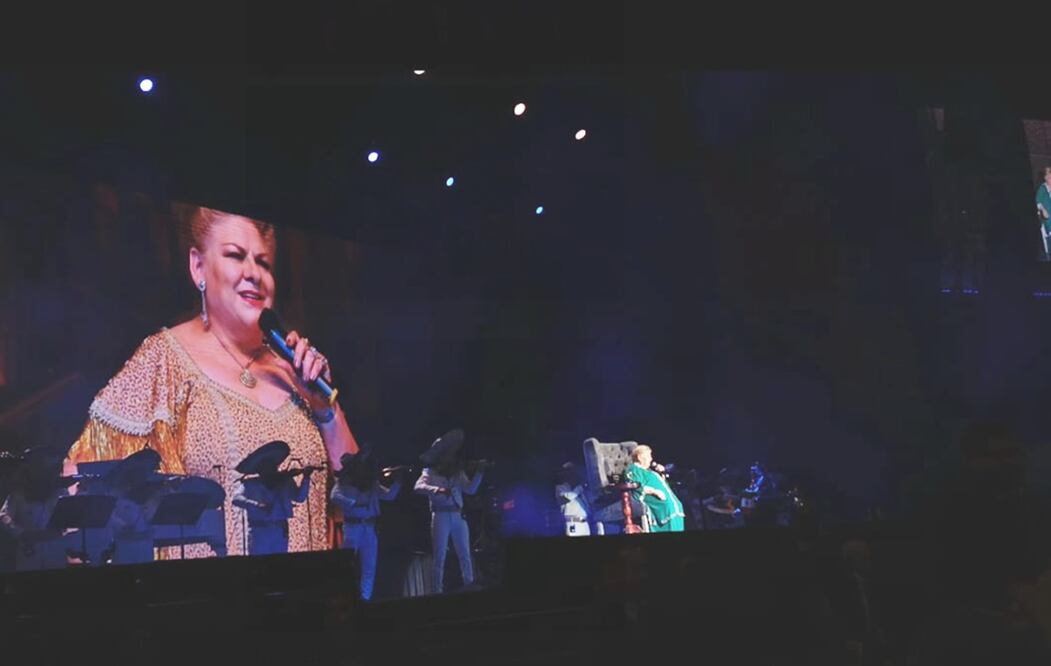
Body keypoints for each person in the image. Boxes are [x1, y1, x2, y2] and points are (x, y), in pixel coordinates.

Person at [64, 204, 359, 557]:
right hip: (215, 599)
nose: (254, 273)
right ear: (198, 266)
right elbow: (82, 483)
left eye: (264, 263)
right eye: (236, 256)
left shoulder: (293, 372)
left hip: (305, 595)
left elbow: (358, 487)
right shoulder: (165, 358)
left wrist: (325, 409)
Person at [413, 428, 487, 593]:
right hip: (440, 515)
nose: (452, 456)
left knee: (465, 553)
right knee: (440, 555)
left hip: (457, 515)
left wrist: (479, 473)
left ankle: (469, 584)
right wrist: (436, 490)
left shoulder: (457, 472)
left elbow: (470, 489)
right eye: (448, 453)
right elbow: (418, 487)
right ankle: (437, 590)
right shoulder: (429, 472)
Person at [330, 447, 402, 600]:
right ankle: (345, 597)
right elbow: (334, 497)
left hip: (370, 528)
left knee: (369, 568)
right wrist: (354, 503)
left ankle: (365, 599)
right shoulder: (343, 484)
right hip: (352, 528)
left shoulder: (371, 484)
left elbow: (389, 496)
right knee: (347, 565)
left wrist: (398, 481)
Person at [231, 440, 314, 555]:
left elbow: (299, 498)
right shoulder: (250, 484)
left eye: (273, 466)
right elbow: (236, 499)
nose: (272, 469)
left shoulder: (284, 480)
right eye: (266, 467)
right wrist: (256, 504)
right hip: (259, 532)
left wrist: (306, 479)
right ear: (259, 470)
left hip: (280, 531)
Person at [0, 446, 75, 570]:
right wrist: (21, 532)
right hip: (29, 549)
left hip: (54, 548)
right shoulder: (19, 493)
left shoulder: (60, 491)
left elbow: (70, 518)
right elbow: (4, 516)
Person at [625, 444, 685, 532]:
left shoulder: (648, 470)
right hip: (655, 500)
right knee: (668, 508)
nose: (651, 459)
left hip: (668, 502)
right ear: (640, 457)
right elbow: (636, 486)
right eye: (649, 456)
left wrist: (661, 473)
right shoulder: (634, 469)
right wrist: (655, 492)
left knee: (676, 507)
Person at [555, 462, 592, 537]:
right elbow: (565, 499)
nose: (572, 474)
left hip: (585, 524)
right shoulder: (560, 488)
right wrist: (579, 489)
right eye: (569, 471)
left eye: (573, 471)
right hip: (573, 524)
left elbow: (588, 505)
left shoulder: (580, 489)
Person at [1036, 167, 1051, 260]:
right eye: (1049, 177)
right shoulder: (1042, 189)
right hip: (1047, 221)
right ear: (1045, 178)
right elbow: (1038, 202)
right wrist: (1043, 209)